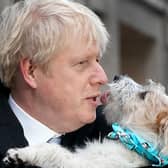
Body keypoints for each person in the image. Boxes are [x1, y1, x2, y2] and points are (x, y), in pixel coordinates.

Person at [0, 0, 109, 166]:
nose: (102, 77)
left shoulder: (118, 138)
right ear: (31, 71)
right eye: (82, 63)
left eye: (97, 60)